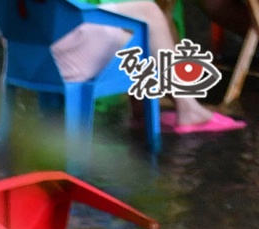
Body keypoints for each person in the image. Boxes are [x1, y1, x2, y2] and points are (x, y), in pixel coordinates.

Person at [48, 0, 245, 132]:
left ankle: (145, 108)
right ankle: (187, 109)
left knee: (144, 12)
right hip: (65, 55)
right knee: (145, 20)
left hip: (31, 55)